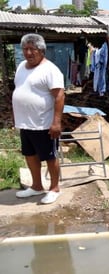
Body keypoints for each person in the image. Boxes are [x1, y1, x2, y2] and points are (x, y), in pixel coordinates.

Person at [12, 33, 65, 204]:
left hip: (44, 123)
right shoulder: (21, 66)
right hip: (25, 122)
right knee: (30, 154)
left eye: (32, 49)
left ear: (41, 50)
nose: (28, 53)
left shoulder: (50, 70)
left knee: (50, 156)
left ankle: (54, 188)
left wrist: (56, 122)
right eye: (25, 49)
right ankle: (36, 186)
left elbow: (59, 96)